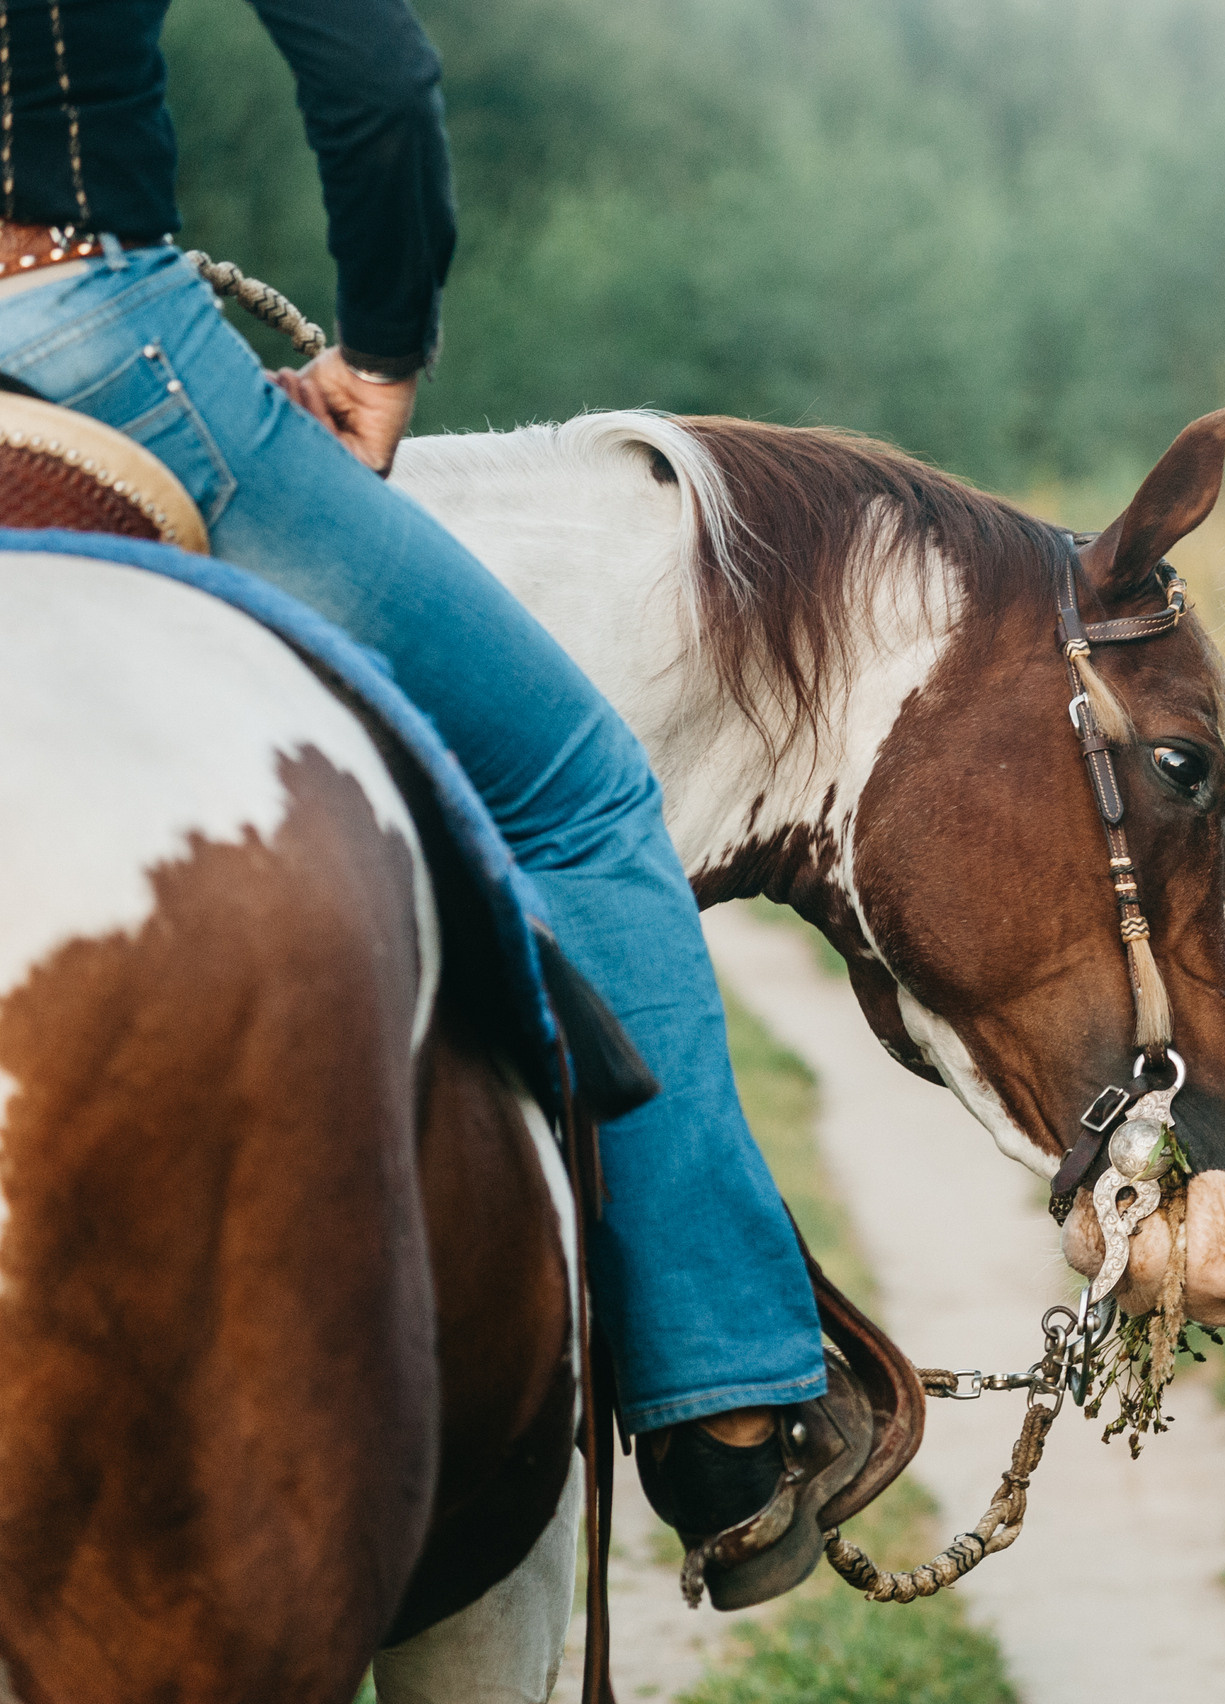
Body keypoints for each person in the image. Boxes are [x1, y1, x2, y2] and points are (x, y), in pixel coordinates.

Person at [0, 0, 864, 1605]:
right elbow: (372, 74)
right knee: (579, 787)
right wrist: (382, 350)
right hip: (76, 332)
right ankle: (726, 1410)